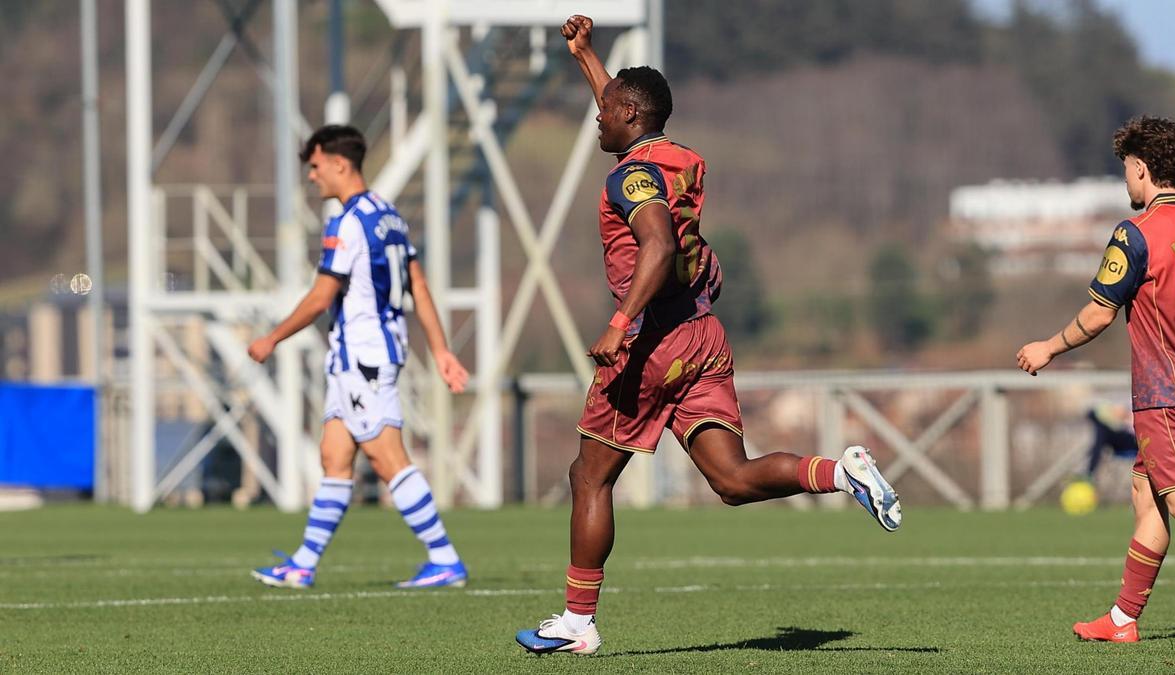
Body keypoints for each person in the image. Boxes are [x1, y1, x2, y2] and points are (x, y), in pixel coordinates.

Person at [515, 16, 902, 656]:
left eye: (605, 109)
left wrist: (619, 324)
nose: (596, 117)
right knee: (732, 480)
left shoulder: (628, 178)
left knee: (589, 478)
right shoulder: (675, 158)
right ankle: (839, 473)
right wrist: (587, 58)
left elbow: (659, 244)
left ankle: (577, 622)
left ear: (631, 115)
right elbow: (628, 108)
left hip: (653, 342)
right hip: (703, 336)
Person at [247, 125, 470, 590]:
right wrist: (442, 350)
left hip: (362, 358)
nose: (311, 177)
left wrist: (272, 338)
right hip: (372, 352)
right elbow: (419, 287)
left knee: (389, 460)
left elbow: (320, 297)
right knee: (334, 455)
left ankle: (445, 558)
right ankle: (303, 565)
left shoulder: (347, 224)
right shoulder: (388, 216)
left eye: (314, 166)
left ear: (338, 163)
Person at [1017, 115, 1175, 643]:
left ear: (1141, 169)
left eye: (1126, 170)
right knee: (1151, 497)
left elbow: (1098, 315)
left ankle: (1122, 619)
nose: (1126, 181)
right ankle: (1122, 619)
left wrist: (1047, 347)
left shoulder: (1135, 233)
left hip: (1164, 395)